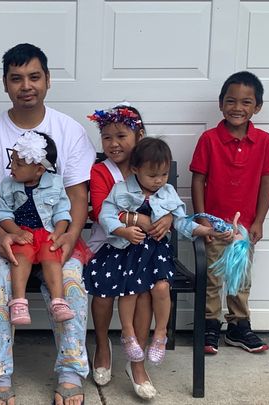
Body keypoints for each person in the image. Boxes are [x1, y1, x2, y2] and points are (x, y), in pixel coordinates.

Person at [0, 43, 96, 405]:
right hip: (7, 235)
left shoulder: (69, 130)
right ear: (5, 84)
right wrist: (1, 236)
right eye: (16, 78)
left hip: (57, 236)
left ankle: (71, 372)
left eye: (34, 77)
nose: (26, 86)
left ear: (48, 80)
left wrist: (70, 235)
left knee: (71, 279)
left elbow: (77, 195)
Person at [96, 137, 230, 380]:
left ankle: (160, 334)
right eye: (152, 175)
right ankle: (128, 333)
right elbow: (106, 215)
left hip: (155, 253)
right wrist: (123, 231)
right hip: (126, 250)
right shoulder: (121, 189)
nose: (159, 180)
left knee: (161, 287)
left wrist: (207, 230)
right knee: (130, 289)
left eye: (164, 174)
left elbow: (182, 222)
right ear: (135, 169)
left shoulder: (167, 192)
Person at [190, 71, 269, 354]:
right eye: (231, 101)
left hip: (245, 228)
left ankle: (239, 326)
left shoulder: (264, 141)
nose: (237, 107)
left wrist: (259, 221)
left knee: (240, 278)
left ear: (257, 107)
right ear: (221, 104)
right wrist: (202, 219)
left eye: (246, 102)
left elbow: (267, 182)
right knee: (212, 278)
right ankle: (209, 326)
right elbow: (198, 180)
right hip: (214, 225)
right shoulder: (209, 139)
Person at [83, 103, 151, 395]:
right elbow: (101, 211)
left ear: (139, 135)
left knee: (145, 291)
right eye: (107, 137)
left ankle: (137, 361)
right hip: (107, 244)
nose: (113, 144)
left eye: (121, 136)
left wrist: (167, 218)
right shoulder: (100, 171)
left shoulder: (148, 166)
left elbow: (166, 199)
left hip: (143, 246)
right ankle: (102, 345)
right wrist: (140, 219)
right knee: (102, 293)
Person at [0, 131, 74, 325]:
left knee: (51, 255)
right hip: (21, 233)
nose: (12, 167)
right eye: (12, 161)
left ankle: (58, 301)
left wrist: (58, 233)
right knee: (20, 257)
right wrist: (16, 232)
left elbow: (62, 212)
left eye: (19, 164)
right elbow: (2, 214)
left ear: (39, 170)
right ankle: (19, 302)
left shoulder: (55, 183)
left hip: (46, 232)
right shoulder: (7, 185)